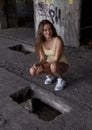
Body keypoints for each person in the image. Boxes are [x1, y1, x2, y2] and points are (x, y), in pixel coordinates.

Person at [29, 19, 69, 91]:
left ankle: (61, 79)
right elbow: (43, 59)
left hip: (61, 64)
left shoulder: (57, 40)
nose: (48, 32)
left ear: (52, 29)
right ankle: (50, 76)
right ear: (41, 31)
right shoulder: (40, 42)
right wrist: (38, 64)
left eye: (50, 29)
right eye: (45, 30)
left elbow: (56, 60)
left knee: (53, 66)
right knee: (32, 71)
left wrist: (43, 66)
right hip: (49, 63)